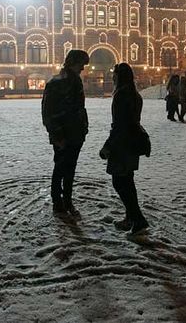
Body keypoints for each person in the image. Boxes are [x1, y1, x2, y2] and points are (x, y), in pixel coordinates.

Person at [99, 63, 150, 236]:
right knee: (128, 181)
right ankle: (130, 218)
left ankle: (137, 219)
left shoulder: (121, 95)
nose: (112, 76)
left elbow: (119, 125)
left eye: (114, 74)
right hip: (133, 141)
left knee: (119, 182)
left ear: (119, 76)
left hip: (122, 143)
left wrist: (108, 145)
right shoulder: (135, 95)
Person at [41, 49, 90, 217]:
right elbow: (48, 113)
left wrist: (83, 128)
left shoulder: (75, 81)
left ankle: (67, 201)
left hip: (75, 133)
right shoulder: (57, 82)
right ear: (72, 62)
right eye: (81, 64)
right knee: (60, 168)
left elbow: (79, 108)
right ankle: (58, 202)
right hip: (63, 135)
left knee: (70, 169)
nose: (83, 68)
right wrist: (57, 135)